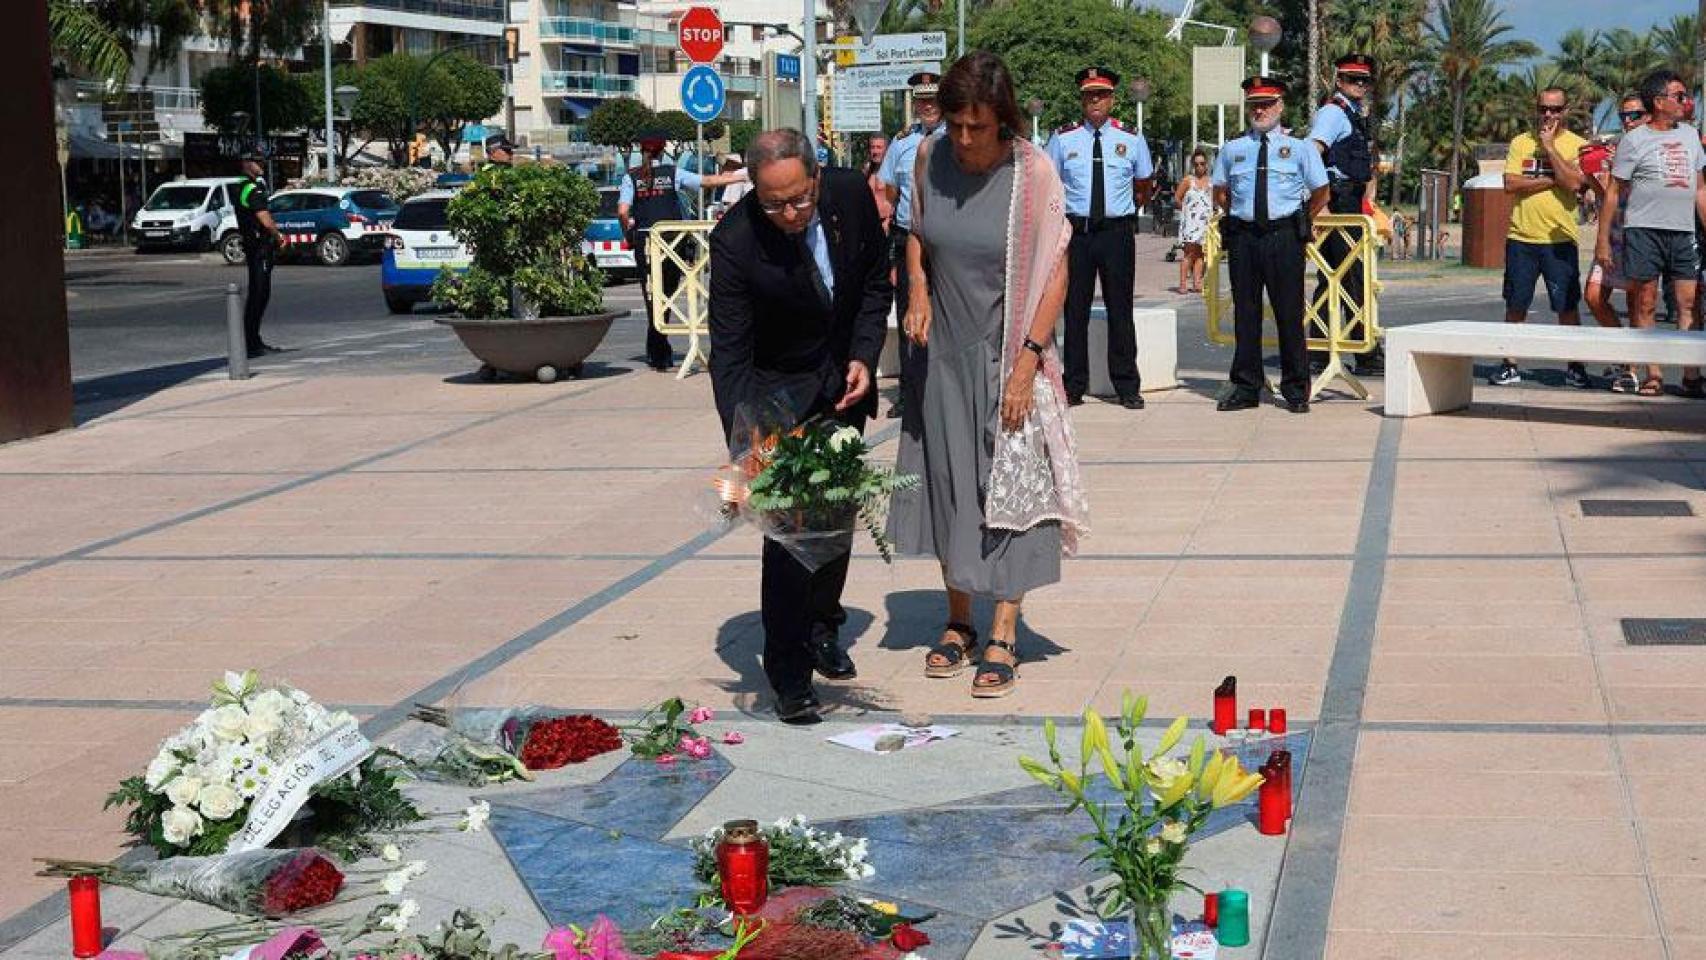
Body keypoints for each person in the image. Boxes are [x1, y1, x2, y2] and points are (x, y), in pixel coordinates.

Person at [891, 50, 1088, 699]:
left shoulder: (1033, 172)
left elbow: (1056, 269)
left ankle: (1004, 628)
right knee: (948, 482)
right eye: (956, 125)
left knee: (1007, 489)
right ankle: (958, 620)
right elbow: (916, 232)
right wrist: (916, 290)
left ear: (1003, 121)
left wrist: (1027, 364)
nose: (966, 139)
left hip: (1006, 351)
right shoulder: (927, 158)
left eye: (978, 127)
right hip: (938, 350)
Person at [707, 128, 891, 726]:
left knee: (835, 515)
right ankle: (786, 674)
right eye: (773, 203)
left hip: (843, 384)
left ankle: (822, 626)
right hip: (774, 394)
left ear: (815, 177)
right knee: (787, 536)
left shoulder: (848, 195)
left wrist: (865, 353)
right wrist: (746, 446)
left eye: (799, 199)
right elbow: (730, 352)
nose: (789, 213)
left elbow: (872, 280)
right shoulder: (735, 242)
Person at [1213, 76, 1330, 414]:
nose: (1260, 109)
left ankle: (1295, 389)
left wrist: (1299, 219)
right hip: (1245, 237)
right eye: (1254, 104)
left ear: (1281, 106)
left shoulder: (1300, 148)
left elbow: (1321, 190)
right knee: (1245, 313)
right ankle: (1247, 386)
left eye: (1266, 103)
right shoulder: (1233, 149)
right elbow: (1220, 190)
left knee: (1289, 313)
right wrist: (1235, 213)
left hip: (1284, 237)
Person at [1045, 65, 1154, 409]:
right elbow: (1050, 185)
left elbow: (1144, 186)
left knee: (1120, 310)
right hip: (1076, 234)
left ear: (1112, 99)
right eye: (1089, 95)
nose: (1095, 101)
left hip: (1116, 233)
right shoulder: (1062, 139)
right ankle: (1074, 384)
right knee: (1074, 310)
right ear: (1082, 99)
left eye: (1101, 95)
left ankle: (1126, 385)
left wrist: (1122, 213)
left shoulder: (1131, 138)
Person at [1595, 69, 1706, 397]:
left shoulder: (1689, 135)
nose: (1686, 102)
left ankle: (1690, 375)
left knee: (1689, 303)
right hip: (1644, 231)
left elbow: (1700, 189)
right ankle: (1653, 374)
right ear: (1659, 102)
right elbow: (1614, 192)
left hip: (1683, 231)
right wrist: (1602, 241)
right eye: (1679, 96)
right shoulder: (1634, 140)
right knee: (1644, 303)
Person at [620, 129, 748, 371]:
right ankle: (660, 351)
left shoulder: (630, 177)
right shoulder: (673, 173)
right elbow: (707, 181)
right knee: (667, 295)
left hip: (647, 243)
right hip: (673, 242)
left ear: (641, 151)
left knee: (652, 298)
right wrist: (741, 177)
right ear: (662, 149)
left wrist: (627, 232)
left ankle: (658, 352)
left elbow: (623, 211)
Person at [1492, 87, 1589, 387]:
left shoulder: (1578, 145)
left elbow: (1575, 183)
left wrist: (1549, 149)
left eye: (1555, 109)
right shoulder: (1521, 142)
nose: (1549, 115)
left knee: (1567, 306)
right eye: (1543, 109)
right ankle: (1510, 364)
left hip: (1559, 239)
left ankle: (1574, 365)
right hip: (1522, 237)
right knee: (1516, 303)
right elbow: (1510, 183)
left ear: (1565, 111)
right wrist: (1551, 179)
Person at [878, 72, 946, 418]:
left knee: (950, 315)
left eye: (933, 98)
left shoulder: (957, 138)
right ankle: (911, 392)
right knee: (909, 313)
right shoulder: (902, 143)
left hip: (948, 242)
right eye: (921, 100)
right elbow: (891, 191)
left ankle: (946, 389)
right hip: (909, 238)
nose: (928, 105)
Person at [1308, 53, 1381, 374]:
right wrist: (1320, 203)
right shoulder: (1333, 113)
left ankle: (1319, 350)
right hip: (1336, 200)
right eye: (1352, 79)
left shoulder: (1351, 114)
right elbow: (1313, 153)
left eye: (1364, 80)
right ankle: (1363, 352)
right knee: (1351, 276)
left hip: (1347, 199)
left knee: (1333, 277)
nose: (1359, 85)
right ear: (1339, 81)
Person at [1583, 98, 1647, 393]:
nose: (1628, 120)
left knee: (1636, 303)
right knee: (1593, 296)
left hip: (1638, 233)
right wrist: (1591, 169)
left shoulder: (1650, 147)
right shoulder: (1616, 145)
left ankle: (1631, 368)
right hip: (1611, 232)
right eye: (1623, 114)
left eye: (1635, 114)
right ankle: (1623, 352)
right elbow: (1605, 192)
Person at [234, 151, 285, 358]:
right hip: (258, 248)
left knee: (259, 294)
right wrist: (278, 236)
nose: (262, 164)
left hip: (255, 246)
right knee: (259, 294)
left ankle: (252, 341)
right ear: (247, 164)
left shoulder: (244, 186)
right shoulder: (250, 188)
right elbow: (264, 218)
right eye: (258, 162)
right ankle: (251, 343)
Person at [1174, 149, 1214, 293]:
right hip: (1191, 223)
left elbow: (1213, 201)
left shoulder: (1211, 182)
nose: (1199, 167)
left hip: (1205, 223)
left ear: (1207, 164)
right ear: (1192, 165)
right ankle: (1183, 283)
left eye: (1202, 164)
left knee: (1201, 254)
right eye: (1196, 164)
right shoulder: (1187, 181)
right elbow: (1177, 198)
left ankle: (1197, 282)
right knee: (1189, 253)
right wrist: (1186, 211)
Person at [865, 135, 893, 233]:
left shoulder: (891, 171)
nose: (875, 151)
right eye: (872, 147)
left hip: (886, 223)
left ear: (887, 150)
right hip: (869, 222)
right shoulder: (868, 170)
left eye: (879, 147)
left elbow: (896, 199)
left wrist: (889, 220)